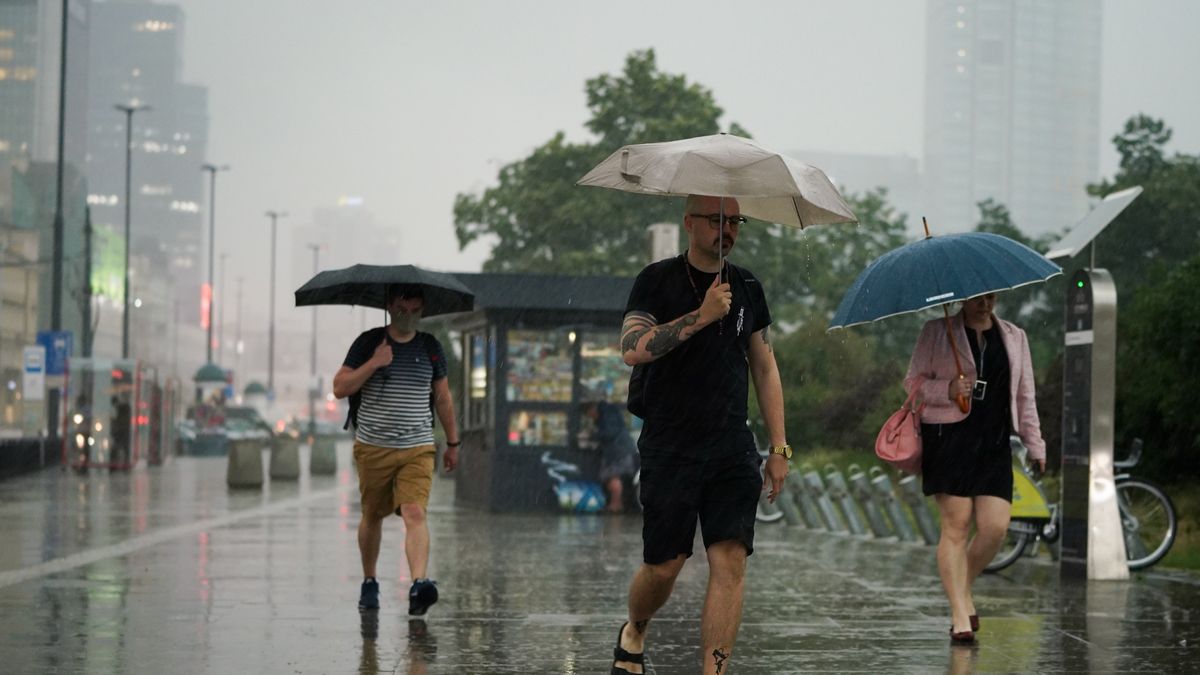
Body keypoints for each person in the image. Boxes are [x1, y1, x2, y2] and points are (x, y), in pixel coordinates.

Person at [611, 195, 790, 675]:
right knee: (664, 566)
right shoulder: (656, 280)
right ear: (689, 222)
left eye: (735, 221)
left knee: (730, 561)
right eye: (716, 220)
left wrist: (779, 446)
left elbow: (765, 367)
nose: (726, 230)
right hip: (670, 443)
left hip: (731, 444)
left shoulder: (747, 286)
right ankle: (635, 627)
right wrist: (703, 315)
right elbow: (632, 348)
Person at [903, 292, 1046, 645]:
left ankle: (962, 585)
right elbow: (913, 384)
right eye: (978, 298)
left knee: (995, 527)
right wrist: (947, 388)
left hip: (995, 442)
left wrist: (1035, 444)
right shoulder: (936, 331)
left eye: (991, 296)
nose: (985, 303)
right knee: (956, 525)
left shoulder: (1015, 336)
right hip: (948, 439)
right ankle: (959, 615)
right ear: (963, 298)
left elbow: (1025, 397)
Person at [332, 284, 460, 615]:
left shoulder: (430, 346)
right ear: (390, 306)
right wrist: (374, 363)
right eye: (403, 310)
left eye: (416, 311)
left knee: (415, 512)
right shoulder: (368, 343)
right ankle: (369, 580)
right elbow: (340, 387)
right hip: (374, 447)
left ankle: (419, 584)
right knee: (373, 515)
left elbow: (443, 398)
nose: (409, 317)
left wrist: (453, 443)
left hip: (418, 447)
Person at [581, 394, 639, 513]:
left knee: (612, 477)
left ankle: (616, 505)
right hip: (618, 450)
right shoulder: (607, 413)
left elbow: (609, 433)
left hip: (618, 451)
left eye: (588, 414)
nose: (590, 417)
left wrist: (591, 436)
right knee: (610, 477)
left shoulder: (606, 415)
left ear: (592, 409)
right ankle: (616, 504)